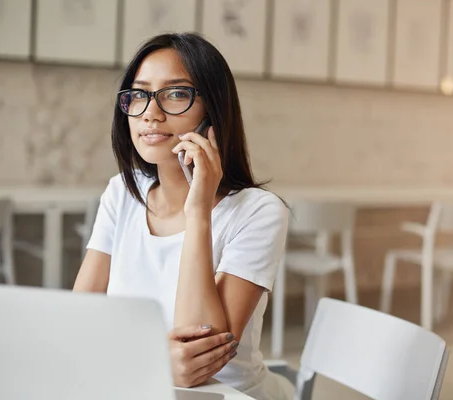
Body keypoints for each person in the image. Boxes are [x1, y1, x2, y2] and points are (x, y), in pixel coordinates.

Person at [72, 32, 293, 399]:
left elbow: (200, 361)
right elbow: (80, 320)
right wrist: (155, 359)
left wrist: (199, 213)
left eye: (176, 93)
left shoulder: (259, 212)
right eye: (139, 94)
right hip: (137, 386)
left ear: (214, 113)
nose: (150, 113)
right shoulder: (121, 194)